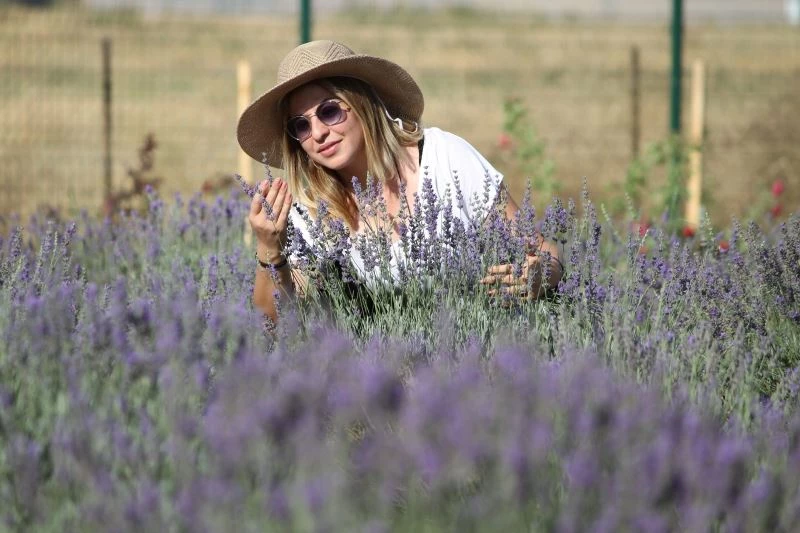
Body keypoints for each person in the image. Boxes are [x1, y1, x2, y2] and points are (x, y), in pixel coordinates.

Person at [237, 40, 562, 322]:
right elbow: (273, 321)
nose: (318, 133)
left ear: (361, 103)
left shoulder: (444, 158)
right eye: (301, 126)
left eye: (329, 111)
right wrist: (270, 247)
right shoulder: (311, 210)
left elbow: (545, 254)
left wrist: (535, 277)